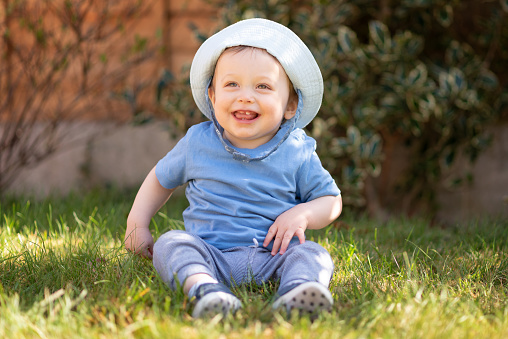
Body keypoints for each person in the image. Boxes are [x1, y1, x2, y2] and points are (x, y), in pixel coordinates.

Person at [124, 18, 342, 318]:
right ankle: (205, 288)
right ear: (212, 97)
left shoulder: (296, 150)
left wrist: (303, 213)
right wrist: (137, 223)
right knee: (171, 243)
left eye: (263, 86)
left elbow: (332, 200)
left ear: (290, 105)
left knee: (312, 254)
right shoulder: (197, 143)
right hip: (209, 253)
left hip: (275, 255)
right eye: (232, 84)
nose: (245, 95)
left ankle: (298, 290)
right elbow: (161, 179)